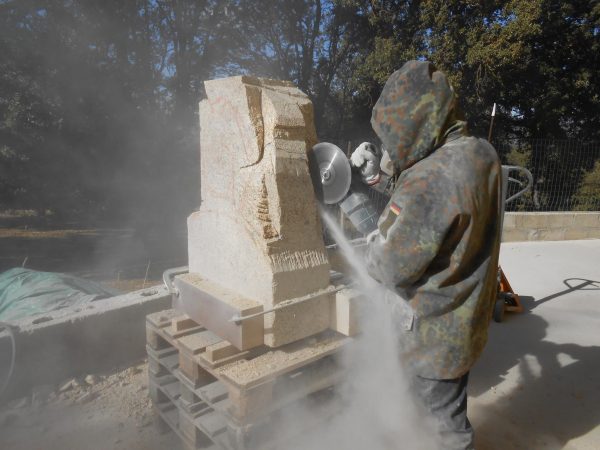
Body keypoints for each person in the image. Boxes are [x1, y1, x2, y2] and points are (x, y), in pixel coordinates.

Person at [350, 60, 502, 449]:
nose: (389, 145)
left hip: (433, 336)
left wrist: (367, 223)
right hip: (465, 321)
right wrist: (379, 179)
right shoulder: (480, 154)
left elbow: (388, 264)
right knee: (443, 412)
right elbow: (437, 214)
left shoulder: (430, 179)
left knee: (444, 431)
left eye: (392, 134)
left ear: (414, 120)